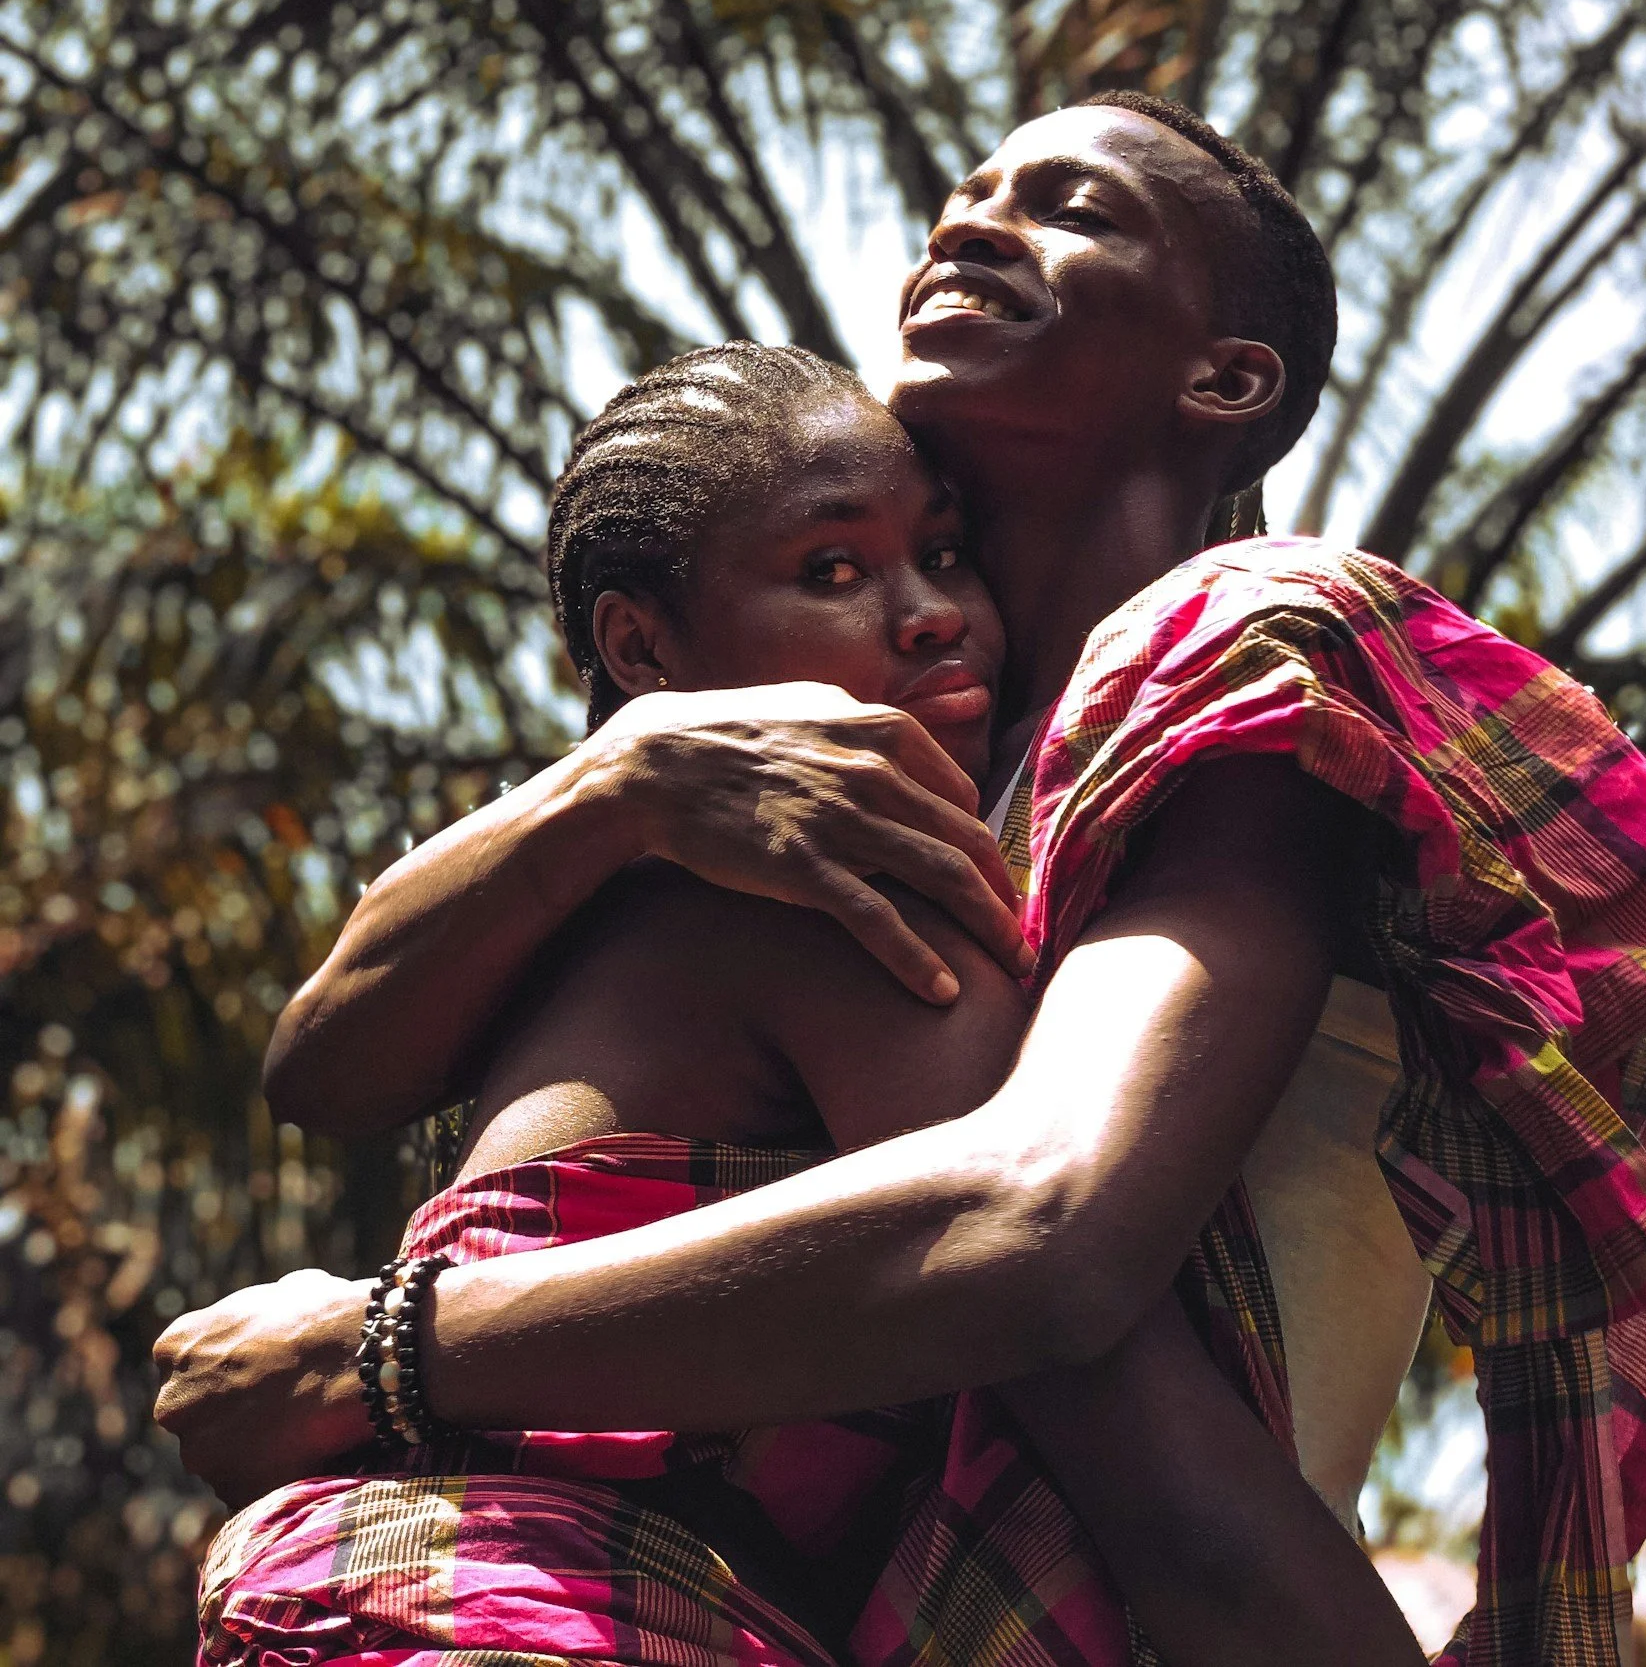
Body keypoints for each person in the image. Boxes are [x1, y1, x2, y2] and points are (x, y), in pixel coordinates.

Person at [157, 94, 1646, 1667]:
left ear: (1227, 380)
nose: (977, 223)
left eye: (1069, 206)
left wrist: (381, 1346)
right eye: (965, 201)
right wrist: (621, 775)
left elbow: (1042, 1228)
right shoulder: (828, 805)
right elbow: (329, 1067)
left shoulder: (1231, 646)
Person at [197, 341, 1419, 1666]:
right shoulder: (835, 892)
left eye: (945, 556)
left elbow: (324, 1073)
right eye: (833, 571)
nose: (928, 614)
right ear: (640, 644)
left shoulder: (596, 902)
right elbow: (1099, 1370)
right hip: (513, 1611)